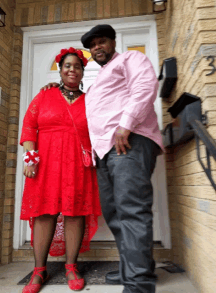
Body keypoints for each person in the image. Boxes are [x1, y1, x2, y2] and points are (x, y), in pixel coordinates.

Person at [44, 24, 165, 293]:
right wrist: (57, 88)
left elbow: (145, 86)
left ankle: (139, 284)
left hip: (129, 142)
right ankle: (129, 269)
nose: (97, 47)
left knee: (131, 211)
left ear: (112, 42)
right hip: (105, 153)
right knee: (115, 214)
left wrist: (126, 124)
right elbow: (82, 108)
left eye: (102, 42)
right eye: (92, 45)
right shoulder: (100, 80)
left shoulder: (131, 59)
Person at [20, 47, 101, 293]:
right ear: (60, 69)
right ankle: (39, 270)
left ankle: (71, 266)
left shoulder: (90, 101)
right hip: (45, 163)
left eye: (77, 66)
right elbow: (29, 126)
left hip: (78, 164)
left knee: (75, 212)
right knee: (44, 213)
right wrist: (30, 158)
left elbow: (99, 130)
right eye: (67, 65)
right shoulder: (44, 96)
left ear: (82, 71)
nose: (72, 70)